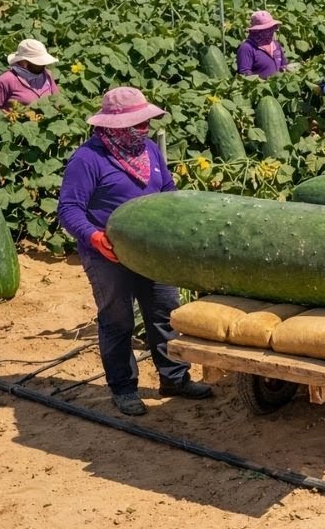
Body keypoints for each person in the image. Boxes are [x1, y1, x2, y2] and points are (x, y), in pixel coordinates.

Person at [57, 87, 212, 416]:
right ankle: (124, 388)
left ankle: (175, 378)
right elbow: (69, 209)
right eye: (138, 124)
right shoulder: (88, 158)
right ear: (115, 126)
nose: (145, 129)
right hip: (107, 255)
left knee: (164, 311)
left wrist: (177, 217)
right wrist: (94, 237)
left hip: (151, 252)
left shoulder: (151, 151)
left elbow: (167, 190)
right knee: (117, 319)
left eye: (146, 123)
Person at [0, 39, 60, 112]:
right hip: (17, 123)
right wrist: (7, 116)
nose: (43, 65)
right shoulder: (6, 80)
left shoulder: (47, 74)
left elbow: (57, 99)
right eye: (38, 63)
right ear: (23, 62)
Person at [236, 10, 289, 79]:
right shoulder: (247, 48)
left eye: (272, 28)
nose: (272, 31)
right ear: (257, 31)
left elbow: (283, 64)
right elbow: (245, 73)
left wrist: (284, 70)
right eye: (267, 29)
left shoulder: (275, 45)